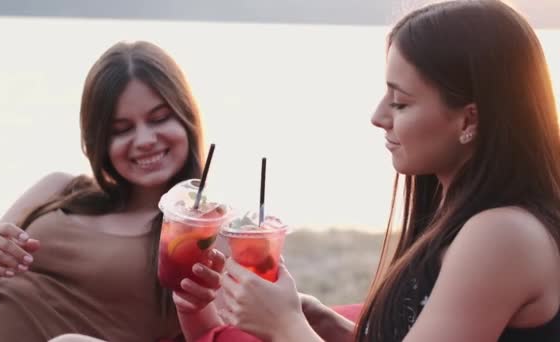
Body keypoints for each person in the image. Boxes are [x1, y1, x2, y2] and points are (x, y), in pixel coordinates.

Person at [180, 1, 560, 341]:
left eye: (400, 103)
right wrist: (331, 328)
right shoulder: (462, 213)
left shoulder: (503, 235)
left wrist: (285, 327)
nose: (378, 117)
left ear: (469, 119)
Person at [0, 40, 222, 341]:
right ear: (99, 140)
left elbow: (221, 334)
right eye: (121, 129)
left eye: (159, 119)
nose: (145, 139)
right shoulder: (58, 189)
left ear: (187, 118)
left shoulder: (203, 232)